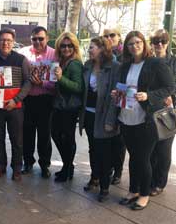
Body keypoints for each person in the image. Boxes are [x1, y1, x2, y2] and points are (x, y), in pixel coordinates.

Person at [112, 30, 174, 210]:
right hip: (126, 117)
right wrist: (117, 94)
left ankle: (144, 194)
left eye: (138, 42)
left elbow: (170, 87)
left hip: (146, 119)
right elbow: (124, 87)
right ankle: (133, 191)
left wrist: (149, 95)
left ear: (144, 43)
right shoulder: (125, 65)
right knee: (133, 157)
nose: (134, 46)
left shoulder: (155, 63)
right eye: (130, 44)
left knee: (143, 158)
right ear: (126, 47)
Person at [149, 29, 176, 196]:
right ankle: (149, 180)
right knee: (149, 149)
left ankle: (159, 183)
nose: (159, 44)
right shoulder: (148, 61)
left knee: (163, 149)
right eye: (155, 41)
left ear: (167, 42)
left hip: (167, 112)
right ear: (151, 43)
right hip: (149, 110)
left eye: (163, 41)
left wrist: (173, 98)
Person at [0, 28, 31, 181]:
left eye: (9, 40)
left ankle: (17, 168)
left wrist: (16, 100)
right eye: (3, 40)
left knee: (17, 139)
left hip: (15, 106)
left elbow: (28, 82)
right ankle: (0, 166)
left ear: (13, 42)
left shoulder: (21, 59)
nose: (5, 43)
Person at [79, 37, 120, 201]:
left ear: (103, 49)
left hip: (104, 116)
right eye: (89, 48)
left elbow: (114, 97)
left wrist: (111, 120)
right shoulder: (87, 65)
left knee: (104, 152)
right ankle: (94, 177)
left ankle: (104, 186)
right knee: (93, 149)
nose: (89, 50)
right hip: (88, 114)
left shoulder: (114, 67)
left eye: (92, 47)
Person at [18, 26, 55, 178]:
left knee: (44, 134)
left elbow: (56, 80)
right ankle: (28, 162)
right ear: (30, 39)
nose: (37, 41)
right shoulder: (23, 53)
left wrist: (43, 83)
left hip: (46, 99)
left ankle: (45, 164)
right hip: (28, 99)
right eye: (34, 39)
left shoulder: (54, 54)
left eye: (41, 38)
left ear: (46, 39)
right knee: (27, 133)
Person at [51, 32, 83, 182]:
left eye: (70, 45)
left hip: (69, 108)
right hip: (60, 106)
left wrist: (60, 78)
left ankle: (67, 168)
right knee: (57, 135)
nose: (66, 48)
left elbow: (78, 87)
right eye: (63, 46)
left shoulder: (75, 63)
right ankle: (67, 166)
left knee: (67, 138)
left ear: (74, 47)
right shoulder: (62, 62)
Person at [102, 27, 126, 185]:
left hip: (122, 102)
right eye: (106, 36)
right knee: (108, 139)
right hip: (106, 102)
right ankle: (108, 168)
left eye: (112, 35)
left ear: (119, 37)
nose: (109, 38)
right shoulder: (104, 55)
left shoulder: (125, 55)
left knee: (119, 140)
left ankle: (117, 171)